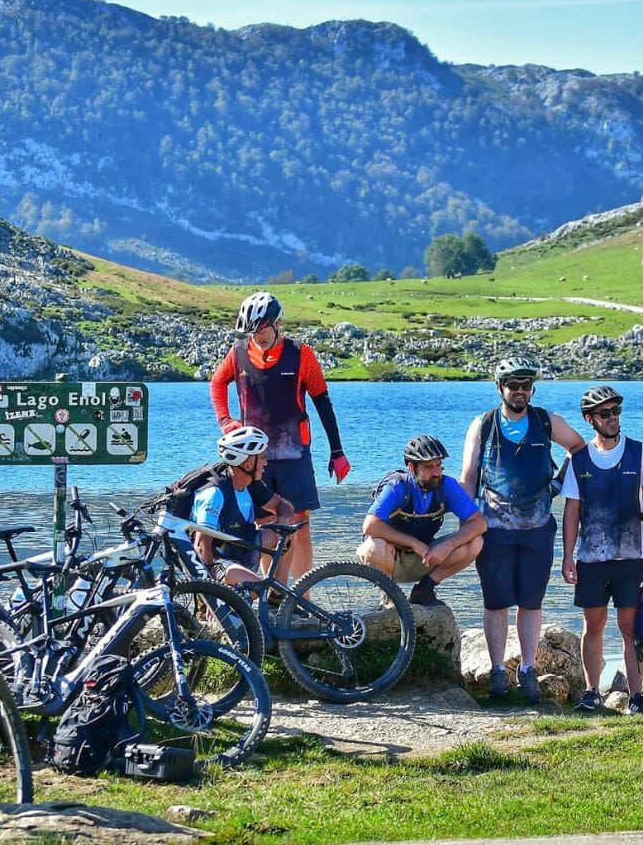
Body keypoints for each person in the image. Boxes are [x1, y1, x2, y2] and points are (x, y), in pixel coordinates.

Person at [459, 356, 585, 704]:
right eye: (513, 385)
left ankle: (527, 670)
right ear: (500, 388)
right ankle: (498, 671)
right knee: (496, 602)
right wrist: (465, 521)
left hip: (538, 529)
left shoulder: (546, 421)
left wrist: (558, 485)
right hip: (494, 530)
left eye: (525, 385)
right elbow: (468, 476)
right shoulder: (483, 425)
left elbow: (578, 447)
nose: (519, 391)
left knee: (531, 602)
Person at [210, 292, 350, 586]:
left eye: (262, 329)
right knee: (266, 525)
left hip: (294, 455)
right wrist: (225, 421)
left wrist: (337, 451)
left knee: (300, 526)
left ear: (277, 324)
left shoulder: (302, 354)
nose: (257, 336)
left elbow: (323, 402)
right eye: (252, 331)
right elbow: (217, 384)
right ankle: (273, 595)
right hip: (254, 459)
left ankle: (303, 597)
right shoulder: (237, 354)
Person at [560, 385, 643, 716]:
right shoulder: (578, 461)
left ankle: (636, 696)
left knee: (630, 629)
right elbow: (571, 513)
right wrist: (566, 556)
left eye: (616, 412)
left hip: (630, 558)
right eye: (605, 414)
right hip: (590, 561)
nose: (612, 419)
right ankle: (592, 692)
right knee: (593, 627)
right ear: (590, 419)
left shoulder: (639, 452)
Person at [357, 435, 487, 606]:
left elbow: (479, 523)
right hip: (390, 559)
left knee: (475, 542)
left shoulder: (447, 486)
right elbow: (369, 526)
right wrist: (412, 543)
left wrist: (447, 546)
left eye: (438, 465)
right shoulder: (397, 487)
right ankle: (389, 594)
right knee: (372, 546)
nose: (436, 473)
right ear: (412, 468)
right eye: (428, 467)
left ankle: (425, 588)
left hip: (425, 557)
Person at [189, 426, 292, 586]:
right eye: (262, 457)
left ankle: (276, 597)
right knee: (256, 587)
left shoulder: (252, 485)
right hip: (219, 562)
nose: (266, 463)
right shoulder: (214, 493)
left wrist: (282, 523)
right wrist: (210, 591)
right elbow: (202, 545)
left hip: (243, 547)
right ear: (248, 463)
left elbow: (284, 507)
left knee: (287, 533)